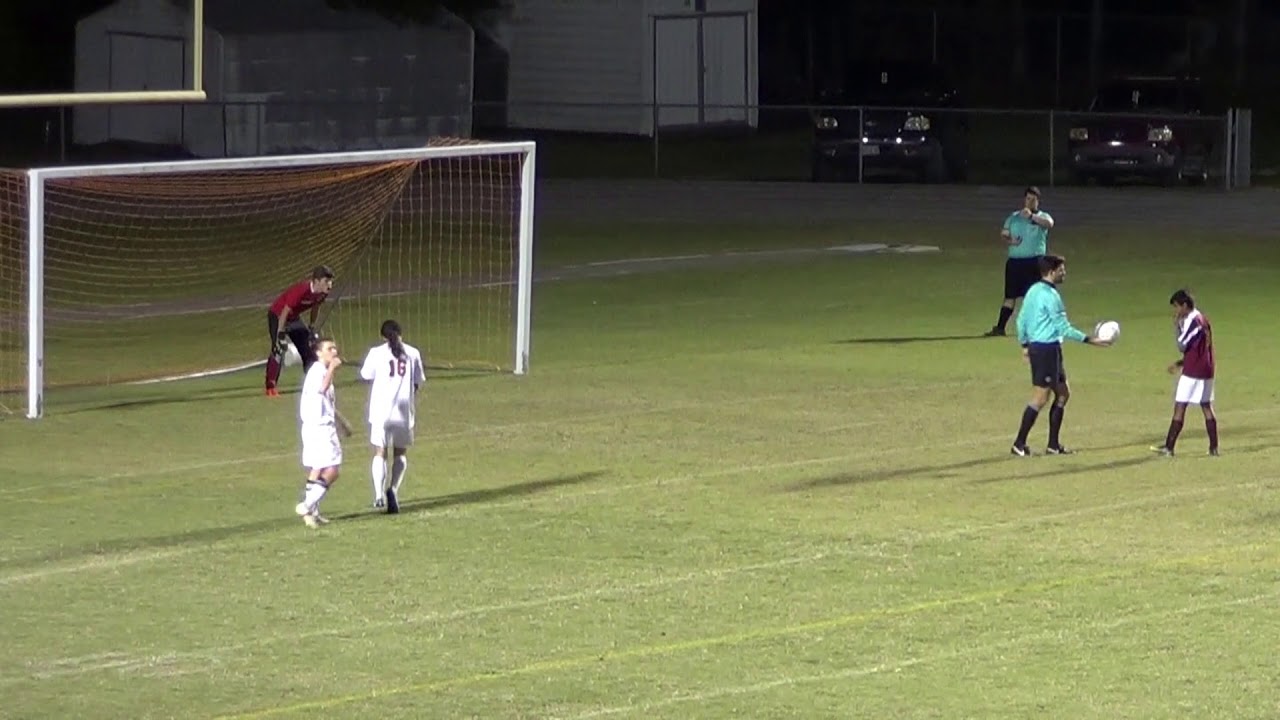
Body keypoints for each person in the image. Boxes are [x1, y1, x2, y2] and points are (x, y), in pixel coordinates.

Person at [1010, 254, 1111, 456]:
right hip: (1046, 350)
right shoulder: (1051, 296)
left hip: (1046, 349)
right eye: (1062, 270)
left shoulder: (1033, 291)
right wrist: (1091, 340)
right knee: (1040, 398)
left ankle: (1053, 445)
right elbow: (1063, 327)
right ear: (1052, 271)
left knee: (1063, 393)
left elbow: (1021, 320)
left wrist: (1024, 344)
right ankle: (1018, 444)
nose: (1064, 273)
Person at [359, 320, 426, 514]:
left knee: (380, 452)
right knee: (400, 453)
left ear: (383, 336)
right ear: (400, 333)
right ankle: (393, 490)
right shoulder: (413, 353)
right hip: (403, 413)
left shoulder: (376, 353)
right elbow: (417, 382)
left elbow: (366, 375)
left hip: (381, 411)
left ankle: (379, 495)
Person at [294, 337, 354, 527]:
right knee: (333, 469)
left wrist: (342, 422)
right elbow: (322, 388)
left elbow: (325, 402)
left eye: (335, 348)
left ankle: (312, 513)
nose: (334, 352)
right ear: (319, 353)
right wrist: (332, 369)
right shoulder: (319, 371)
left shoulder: (318, 372)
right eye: (330, 348)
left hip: (313, 426)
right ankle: (307, 505)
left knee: (317, 468)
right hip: (320, 428)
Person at [1152, 290, 1218, 457]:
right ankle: (1213, 448)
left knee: (1180, 406)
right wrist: (1180, 363)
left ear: (1185, 305)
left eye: (1176, 307)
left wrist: (1177, 327)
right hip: (1207, 369)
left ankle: (1169, 448)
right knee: (1206, 406)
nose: (1176, 311)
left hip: (1193, 372)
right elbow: (1200, 348)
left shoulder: (1193, 321)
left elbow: (1182, 345)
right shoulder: (1204, 319)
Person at [986, 187, 1055, 337]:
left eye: (1033, 199)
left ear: (1038, 201)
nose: (1030, 202)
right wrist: (1011, 240)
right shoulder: (1014, 217)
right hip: (1015, 263)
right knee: (1009, 296)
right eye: (1028, 199)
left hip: (1034, 262)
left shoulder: (1042, 217)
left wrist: (1031, 217)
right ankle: (1000, 328)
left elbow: (1049, 224)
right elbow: (1004, 234)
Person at [265, 265, 336, 397]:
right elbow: (285, 311)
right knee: (278, 348)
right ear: (316, 281)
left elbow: (315, 307)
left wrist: (312, 326)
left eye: (330, 281)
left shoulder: (322, 293)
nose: (329, 285)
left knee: (307, 348)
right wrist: (280, 333)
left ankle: (314, 380)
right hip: (278, 315)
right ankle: (271, 386)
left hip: (294, 318)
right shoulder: (301, 290)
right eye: (326, 281)